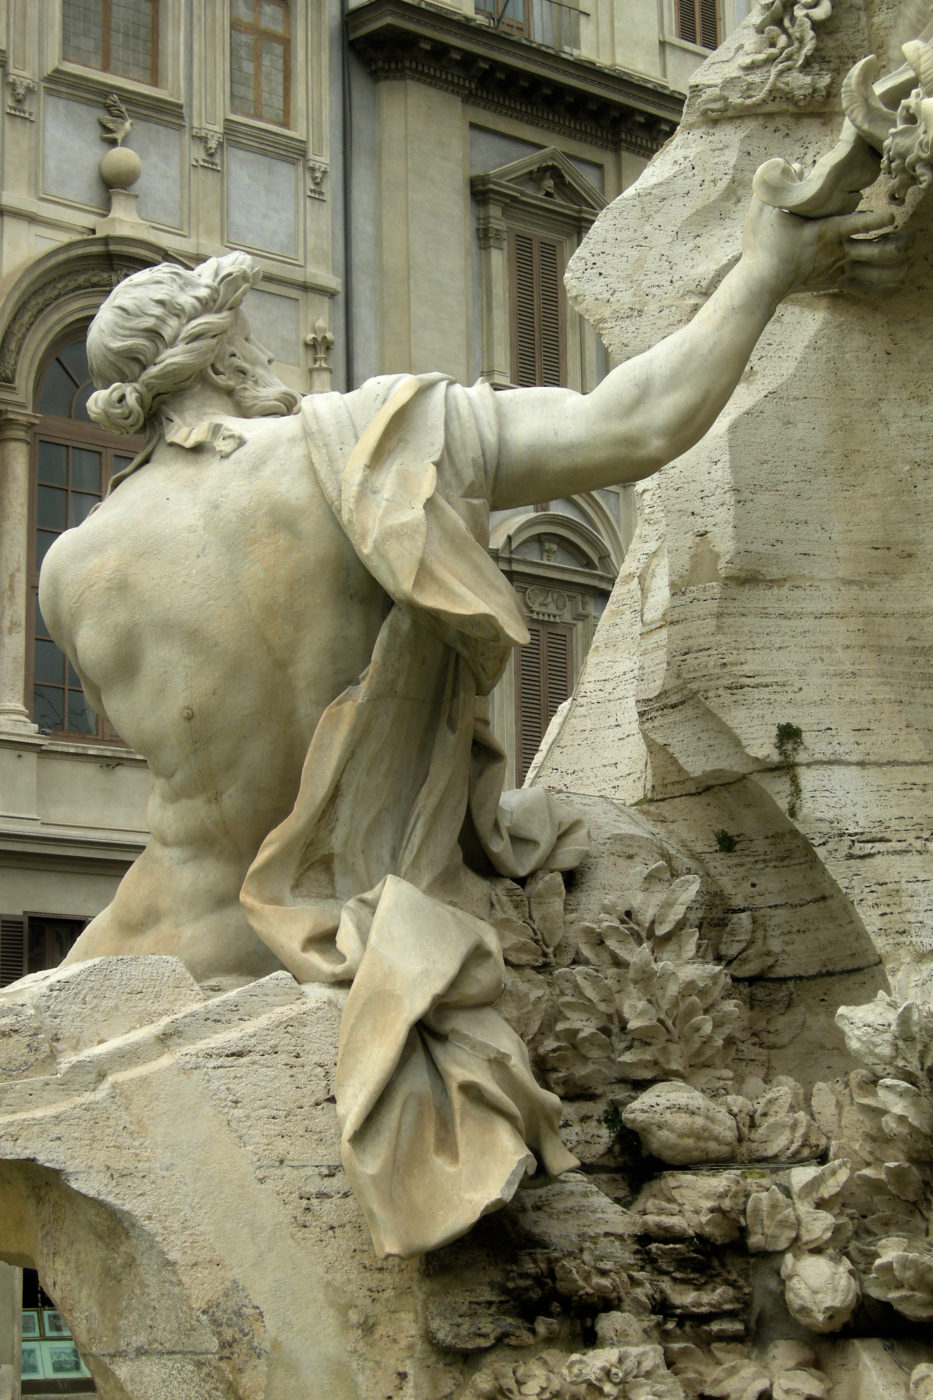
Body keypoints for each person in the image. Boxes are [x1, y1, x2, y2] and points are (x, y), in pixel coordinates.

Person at [37, 196, 903, 1256]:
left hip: (163, 964)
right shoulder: (367, 445)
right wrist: (767, 267)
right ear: (224, 353)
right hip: (358, 952)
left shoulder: (72, 568)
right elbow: (635, 424)